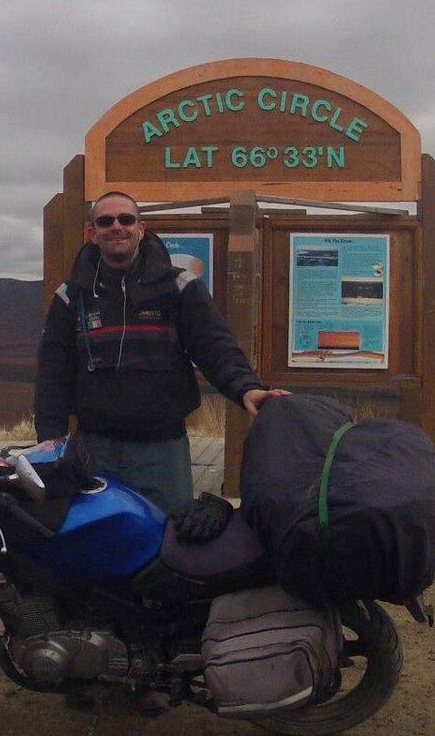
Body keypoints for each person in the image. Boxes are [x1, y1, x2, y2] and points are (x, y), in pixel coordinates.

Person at [34, 190, 288, 513]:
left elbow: (214, 346)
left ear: (141, 228)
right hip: (94, 448)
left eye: (126, 219)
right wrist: (50, 439)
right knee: (99, 544)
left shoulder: (178, 285)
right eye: (105, 221)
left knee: (172, 543)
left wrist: (247, 388)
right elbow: (53, 374)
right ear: (92, 232)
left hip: (162, 449)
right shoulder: (71, 296)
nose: (117, 227)